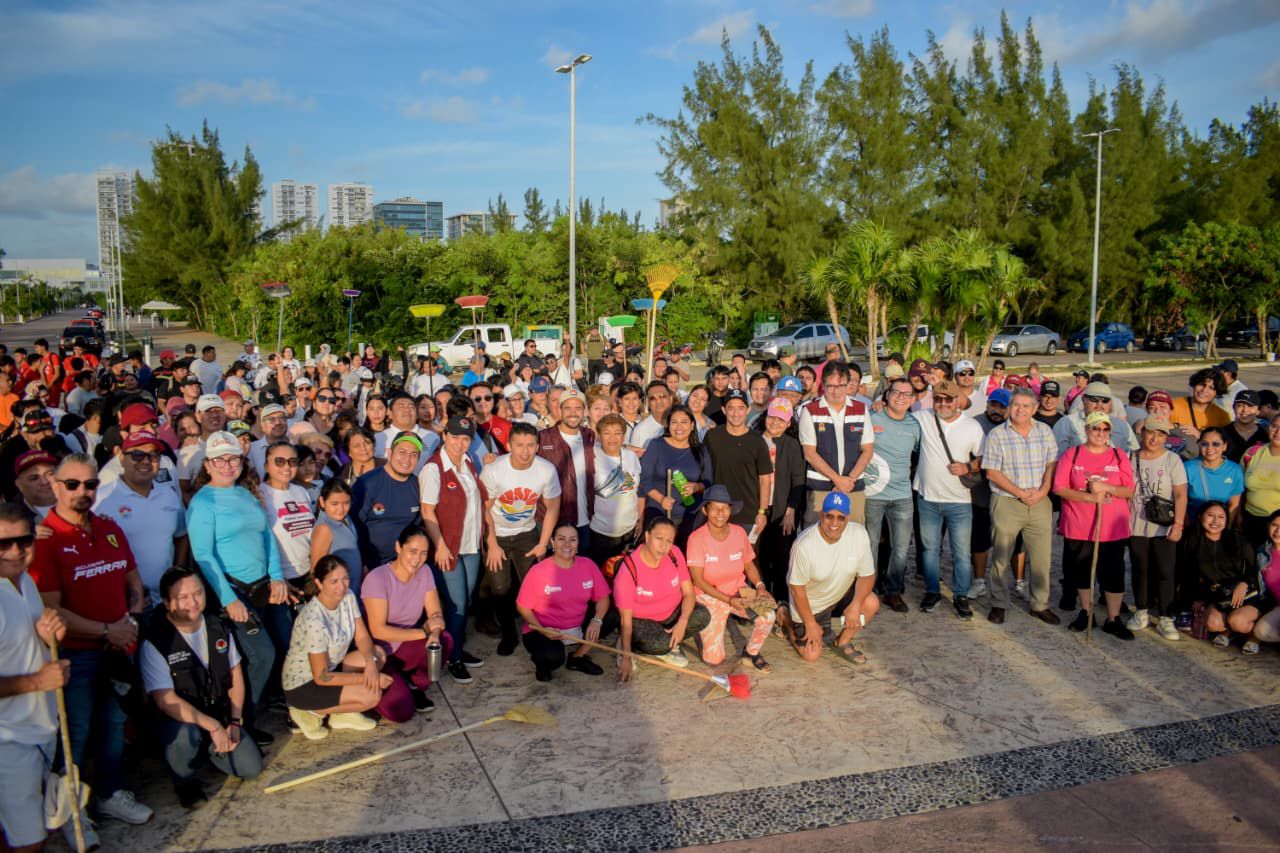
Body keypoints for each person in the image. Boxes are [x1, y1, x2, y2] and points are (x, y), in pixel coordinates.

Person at [30, 454, 153, 826]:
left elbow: (132, 580)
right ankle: (71, 811)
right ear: (56, 486)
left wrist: (129, 621)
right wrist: (106, 630)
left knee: (114, 723)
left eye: (90, 484)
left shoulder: (109, 528)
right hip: (76, 654)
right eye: (72, 484)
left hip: (118, 646)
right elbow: (51, 609)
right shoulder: (46, 540)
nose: (82, 491)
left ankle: (110, 794)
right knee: (77, 731)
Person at [186, 431, 288, 734]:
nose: (227, 465)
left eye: (233, 459)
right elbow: (203, 555)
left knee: (267, 652)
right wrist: (228, 599)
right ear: (208, 465)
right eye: (220, 460)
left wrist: (277, 576)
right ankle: (241, 723)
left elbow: (266, 536)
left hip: (261, 586)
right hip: (232, 590)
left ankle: (253, 712)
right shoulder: (202, 503)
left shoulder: (246, 494)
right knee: (262, 655)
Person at [141, 566, 262, 807]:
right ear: (167, 602)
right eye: (183, 597)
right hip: (182, 722)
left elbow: (235, 676)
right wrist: (212, 726)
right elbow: (166, 701)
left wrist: (234, 721)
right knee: (186, 737)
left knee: (251, 768)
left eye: (198, 593)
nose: (193, 602)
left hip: (218, 713)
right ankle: (184, 780)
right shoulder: (156, 642)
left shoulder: (218, 626)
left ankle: (212, 751)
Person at [0, 501, 78, 851]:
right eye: (3, 543)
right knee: (27, 841)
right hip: (8, 739)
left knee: (41, 827)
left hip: (40, 729)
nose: (15, 551)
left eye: (24, 541)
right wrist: (37, 682)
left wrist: (50, 640)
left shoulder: (26, 584)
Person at [283, 555, 389, 738]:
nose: (341, 586)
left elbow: (362, 636)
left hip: (330, 670)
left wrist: (371, 665)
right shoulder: (314, 620)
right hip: (304, 684)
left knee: (377, 654)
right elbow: (322, 677)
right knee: (372, 696)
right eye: (334, 581)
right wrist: (367, 678)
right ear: (319, 583)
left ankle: (342, 715)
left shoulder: (348, 596)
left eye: (345, 579)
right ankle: (308, 712)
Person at [1052, 412, 1136, 639]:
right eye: (1095, 428)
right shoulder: (1073, 454)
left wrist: (1107, 488)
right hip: (1080, 524)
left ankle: (1113, 618)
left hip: (1112, 527)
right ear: (1087, 429)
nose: (1100, 433)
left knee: (1114, 572)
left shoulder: (1118, 455)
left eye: (1105, 429)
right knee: (1083, 571)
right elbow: (1059, 487)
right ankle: (1086, 612)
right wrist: (1089, 497)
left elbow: (1129, 490)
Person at [980, 387, 1060, 625]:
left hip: (1039, 501)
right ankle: (999, 603)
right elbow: (992, 472)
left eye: (1026, 406)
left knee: (1042, 557)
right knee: (1001, 556)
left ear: (1034, 409)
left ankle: (1040, 604)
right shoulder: (997, 435)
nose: (1021, 410)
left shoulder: (1044, 431)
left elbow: (1051, 463)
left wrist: (1044, 490)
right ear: (1009, 407)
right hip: (1007, 501)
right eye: (1016, 405)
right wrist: (1020, 493)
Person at [481, 421, 561, 655]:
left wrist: (543, 543)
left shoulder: (546, 470)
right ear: (509, 446)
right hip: (498, 534)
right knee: (500, 588)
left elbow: (552, 507)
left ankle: (535, 632)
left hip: (527, 533)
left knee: (532, 585)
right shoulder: (494, 470)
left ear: (537, 446)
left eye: (530, 445)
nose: (525, 451)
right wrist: (492, 543)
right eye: (519, 445)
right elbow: (485, 509)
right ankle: (509, 635)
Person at [419, 416, 487, 682]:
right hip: (449, 547)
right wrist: (440, 545)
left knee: (464, 602)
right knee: (456, 605)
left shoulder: (468, 462)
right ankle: (453, 657)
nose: (460, 443)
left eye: (466, 438)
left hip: (471, 545)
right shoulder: (433, 469)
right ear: (445, 436)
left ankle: (456, 647)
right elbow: (428, 512)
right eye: (455, 437)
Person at [778, 491, 879, 665]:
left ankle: (842, 642)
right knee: (812, 655)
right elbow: (796, 589)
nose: (834, 523)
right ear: (821, 515)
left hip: (838, 595)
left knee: (871, 602)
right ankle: (786, 619)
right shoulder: (804, 544)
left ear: (848, 518)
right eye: (829, 516)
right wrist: (810, 623)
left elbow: (868, 575)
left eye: (841, 518)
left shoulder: (859, 533)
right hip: (810, 605)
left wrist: (855, 605)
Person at [685, 485, 776, 672]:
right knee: (714, 660)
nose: (720, 513)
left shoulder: (739, 532)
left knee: (768, 616)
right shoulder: (696, 538)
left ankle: (750, 653)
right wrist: (728, 600)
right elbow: (698, 580)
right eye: (715, 508)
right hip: (709, 596)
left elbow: (749, 565)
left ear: (730, 509)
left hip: (738, 591)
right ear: (705, 510)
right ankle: (705, 633)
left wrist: (760, 586)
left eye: (725, 508)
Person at [911, 379, 983, 618]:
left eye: (948, 399)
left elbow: (984, 456)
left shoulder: (972, 426)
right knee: (930, 550)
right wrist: (880, 404)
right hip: (927, 498)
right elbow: (898, 417)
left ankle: (960, 595)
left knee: (961, 553)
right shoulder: (922, 418)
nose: (943, 404)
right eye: (938, 399)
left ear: (957, 401)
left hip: (959, 501)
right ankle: (932, 591)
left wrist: (967, 466)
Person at [95, 431, 189, 610]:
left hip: (165, 601)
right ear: (121, 458)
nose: (146, 461)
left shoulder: (168, 495)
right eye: (137, 455)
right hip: (124, 603)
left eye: (153, 455)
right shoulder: (102, 498)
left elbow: (181, 536)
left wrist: (176, 577)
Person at [361, 527, 448, 718]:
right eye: (412, 551)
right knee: (401, 712)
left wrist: (434, 634)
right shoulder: (377, 578)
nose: (418, 558)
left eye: (424, 553)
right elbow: (378, 631)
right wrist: (424, 633)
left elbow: (435, 614)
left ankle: (415, 684)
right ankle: (381, 689)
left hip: (405, 644)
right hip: (381, 654)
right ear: (398, 547)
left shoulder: (425, 571)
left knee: (444, 640)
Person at [613, 516, 710, 678]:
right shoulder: (629, 569)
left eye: (669, 541)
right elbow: (626, 620)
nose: (663, 546)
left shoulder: (674, 554)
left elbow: (688, 593)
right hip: (641, 621)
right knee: (659, 644)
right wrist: (626, 658)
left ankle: (667, 644)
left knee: (703, 615)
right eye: (659, 538)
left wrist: (682, 621)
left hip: (671, 614)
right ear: (647, 536)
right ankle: (627, 646)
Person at [515, 523, 609, 681]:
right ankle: (541, 662)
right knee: (553, 659)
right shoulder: (538, 571)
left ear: (578, 543)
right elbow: (523, 606)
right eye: (561, 539)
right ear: (552, 542)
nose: (567, 544)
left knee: (610, 617)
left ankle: (578, 657)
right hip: (545, 630)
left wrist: (596, 620)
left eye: (572, 539)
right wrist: (542, 630)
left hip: (577, 625)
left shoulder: (588, 565)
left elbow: (603, 597)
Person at [1125, 415, 1188, 640]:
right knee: (1140, 568)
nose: (1154, 438)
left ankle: (1165, 616)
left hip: (1163, 525)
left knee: (1165, 571)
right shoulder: (1130, 457)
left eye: (1161, 434)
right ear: (1143, 433)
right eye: (1151, 432)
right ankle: (1141, 610)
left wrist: (1178, 523)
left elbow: (1180, 494)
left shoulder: (1172, 459)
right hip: (1136, 523)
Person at [1178, 501, 1262, 652]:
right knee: (1212, 624)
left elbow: (1254, 569)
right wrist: (1196, 599)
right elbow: (1188, 575)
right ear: (1200, 517)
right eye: (1210, 515)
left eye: (1221, 517)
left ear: (1227, 519)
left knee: (1237, 621)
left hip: (1245, 594)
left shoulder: (1238, 540)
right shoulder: (1192, 541)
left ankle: (1254, 636)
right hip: (1218, 595)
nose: (1215, 521)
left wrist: (1244, 583)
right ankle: (1229, 632)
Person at [798, 362, 874, 525]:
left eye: (841, 386)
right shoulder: (810, 410)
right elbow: (809, 454)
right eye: (830, 386)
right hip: (820, 488)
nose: (836, 391)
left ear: (848, 384)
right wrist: (837, 480)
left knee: (854, 534)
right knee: (816, 534)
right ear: (823, 384)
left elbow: (867, 450)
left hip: (853, 487)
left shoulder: (861, 409)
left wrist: (849, 480)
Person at [639, 404, 713, 549]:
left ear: (692, 425)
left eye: (684, 422)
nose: (679, 427)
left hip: (690, 515)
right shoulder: (656, 445)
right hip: (659, 512)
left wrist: (696, 487)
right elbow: (644, 481)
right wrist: (661, 499)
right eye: (674, 422)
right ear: (668, 425)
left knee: (684, 555)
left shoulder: (701, 450)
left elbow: (708, 482)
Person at [704, 389, 773, 536]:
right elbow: (703, 471)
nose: (736, 413)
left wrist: (762, 512)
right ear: (724, 410)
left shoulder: (757, 441)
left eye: (741, 408)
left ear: (748, 410)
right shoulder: (712, 437)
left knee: (746, 551)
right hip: (718, 511)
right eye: (731, 408)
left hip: (749, 513)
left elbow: (765, 479)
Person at [756, 398, 805, 602]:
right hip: (757, 509)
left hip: (782, 510)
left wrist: (791, 510)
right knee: (759, 556)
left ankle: (782, 602)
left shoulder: (792, 445)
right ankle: (762, 602)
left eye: (781, 419)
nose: (775, 423)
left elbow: (798, 480)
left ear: (788, 423)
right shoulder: (755, 440)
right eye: (772, 417)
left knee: (782, 558)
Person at [351, 431, 423, 570]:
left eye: (414, 455)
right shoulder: (367, 484)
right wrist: (362, 563)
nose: (407, 459)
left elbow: (418, 527)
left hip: (405, 564)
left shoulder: (418, 486)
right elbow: (353, 526)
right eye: (402, 452)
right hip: (370, 564)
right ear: (389, 453)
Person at [261, 440, 317, 595]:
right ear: (266, 466)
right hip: (280, 578)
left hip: (308, 574)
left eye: (292, 462)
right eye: (279, 461)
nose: (286, 467)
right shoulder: (260, 495)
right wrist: (277, 578)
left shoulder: (301, 491)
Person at [588, 413, 643, 568]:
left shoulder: (631, 456)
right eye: (607, 433)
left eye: (617, 433)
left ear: (624, 436)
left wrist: (640, 518)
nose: (612, 438)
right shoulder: (591, 457)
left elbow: (638, 491)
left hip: (629, 529)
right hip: (601, 531)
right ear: (599, 436)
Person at [1052, 381, 1138, 455]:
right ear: (1083, 400)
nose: (1099, 404)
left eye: (1105, 400)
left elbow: (1135, 454)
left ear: (1110, 402)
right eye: (1094, 399)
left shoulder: (1123, 426)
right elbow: (1055, 458)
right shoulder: (1066, 424)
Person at [311, 478, 363, 593]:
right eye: (334, 504)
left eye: (346, 503)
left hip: (353, 591)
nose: (341, 509)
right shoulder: (324, 529)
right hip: (338, 594)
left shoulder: (347, 518)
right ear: (322, 502)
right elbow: (316, 569)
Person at [1185, 426, 1245, 525]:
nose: (1210, 448)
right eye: (1204, 444)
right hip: (1193, 524)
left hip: (1220, 526)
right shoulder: (1188, 468)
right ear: (1199, 445)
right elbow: (1180, 500)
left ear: (1224, 446)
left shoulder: (1234, 470)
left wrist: (1225, 528)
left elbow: (1234, 504)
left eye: (1216, 444)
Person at [1242, 419, 1280, 547]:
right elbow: (1239, 488)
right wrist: (1238, 515)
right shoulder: (1252, 452)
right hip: (1250, 520)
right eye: (1274, 426)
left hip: (1277, 526)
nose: (1278, 432)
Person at [1251, 510, 1280, 649]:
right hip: (1277, 605)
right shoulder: (1261, 553)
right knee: (1260, 631)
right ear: (1268, 526)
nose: (1278, 531)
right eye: (1274, 525)